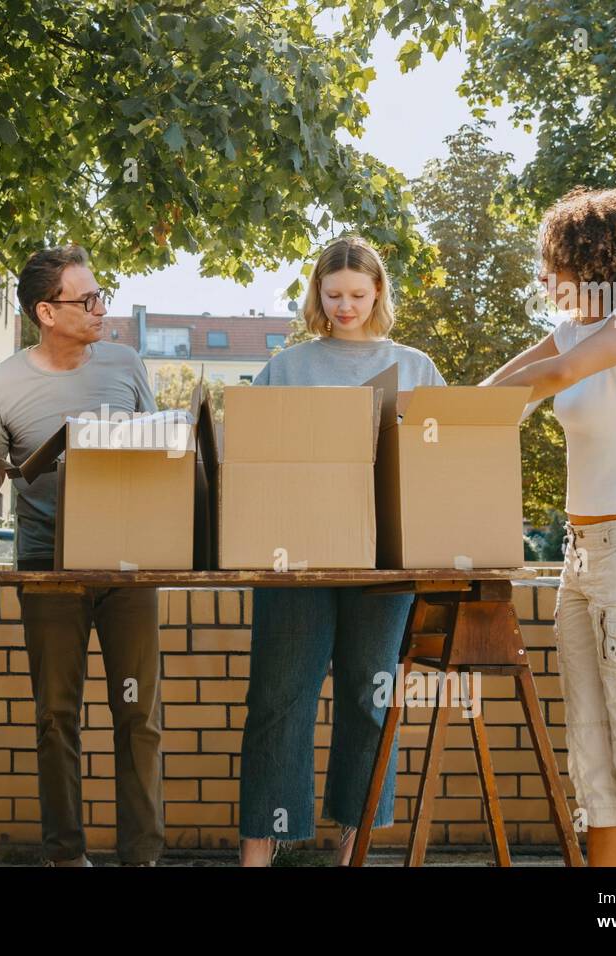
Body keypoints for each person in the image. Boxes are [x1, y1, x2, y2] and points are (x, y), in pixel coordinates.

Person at [481, 187, 616, 866]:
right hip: (582, 558)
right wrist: (434, 414)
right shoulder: (575, 327)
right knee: (597, 765)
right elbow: (499, 389)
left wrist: (471, 406)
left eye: (556, 265)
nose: (547, 280)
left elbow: (561, 374)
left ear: (596, 259)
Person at [237, 237, 446, 866]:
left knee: (370, 696)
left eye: (357, 295)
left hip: (386, 560)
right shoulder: (290, 366)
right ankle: (258, 852)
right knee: (279, 696)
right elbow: (250, 453)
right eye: (333, 296)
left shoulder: (413, 365)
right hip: (294, 554)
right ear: (316, 295)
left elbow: (440, 459)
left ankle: (352, 850)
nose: (345, 307)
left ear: (378, 291)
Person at [0, 244, 164, 866]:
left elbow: (164, 454)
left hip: (127, 562)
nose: (101, 309)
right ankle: (64, 855)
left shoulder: (125, 364)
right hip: (48, 565)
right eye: (88, 300)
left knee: (138, 714)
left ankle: (142, 857)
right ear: (46, 312)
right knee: (55, 715)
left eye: (100, 295)